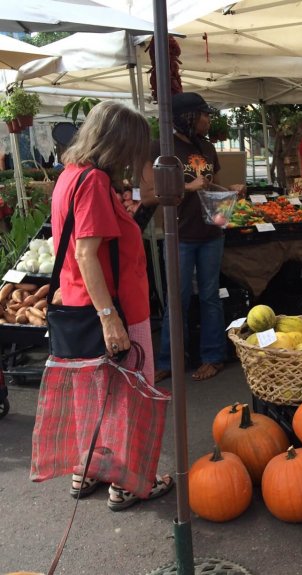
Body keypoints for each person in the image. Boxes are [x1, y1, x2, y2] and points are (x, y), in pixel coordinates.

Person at [50, 100, 174, 510]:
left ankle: (87, 467)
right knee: (131, 393)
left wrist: (123, 217)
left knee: (94, 393)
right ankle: (129, 483)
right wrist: (110, 319)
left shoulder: (70, 175)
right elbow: (87, 253)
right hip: (114, 306)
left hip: (78, 302)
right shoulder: (93, 182)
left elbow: (81, 242)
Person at [142, 92, 244, 382]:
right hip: (179, 236)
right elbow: (150, 195)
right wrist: (188, 186)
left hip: (211, 232)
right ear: (187, 116)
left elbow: (210, 185)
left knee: (210, 297)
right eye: (204, 115)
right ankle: (169, 360)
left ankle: (213, 356)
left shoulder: (207, 148)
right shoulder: (159, 148)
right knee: (178, 299)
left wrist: (229, 190)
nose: (208, 120)